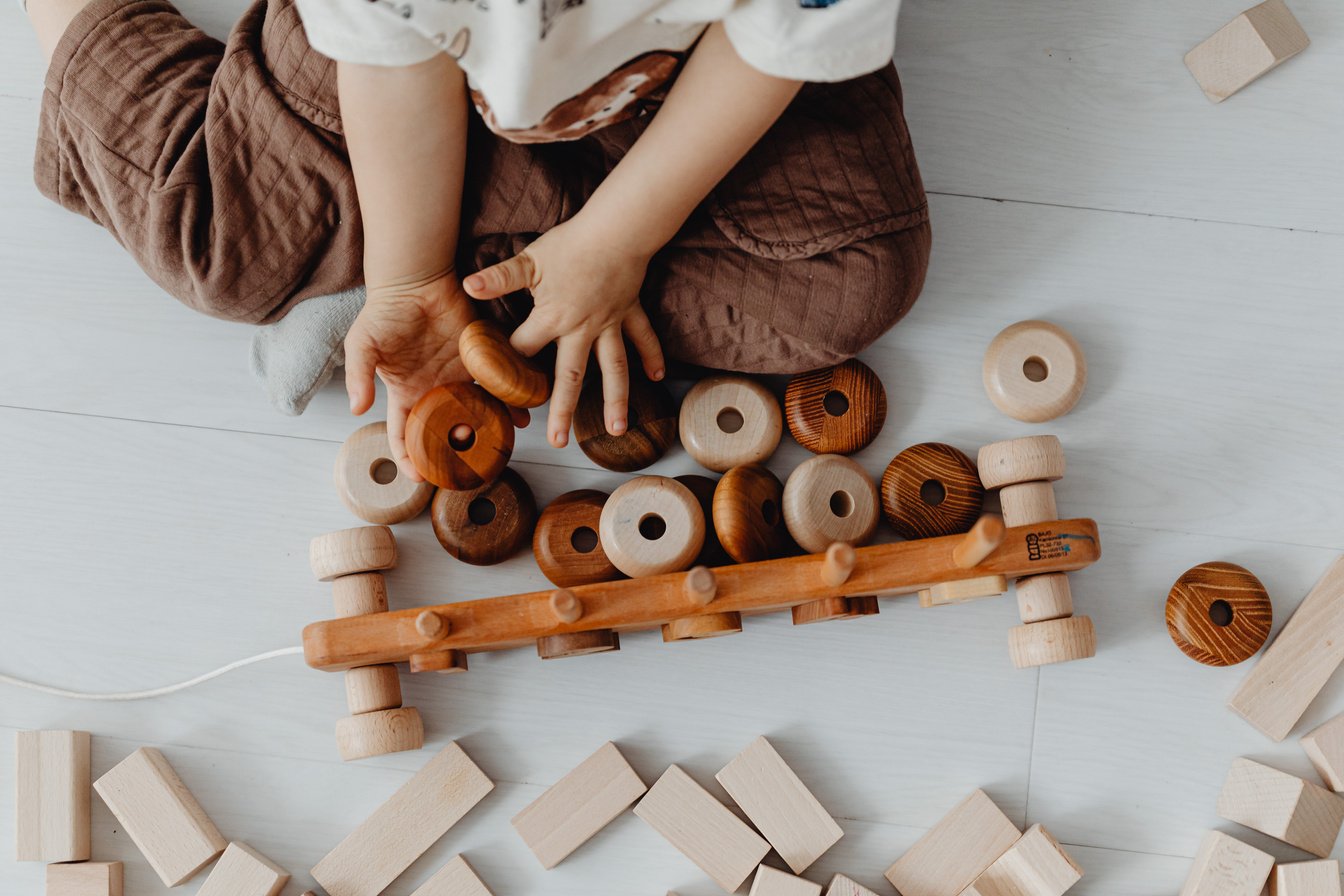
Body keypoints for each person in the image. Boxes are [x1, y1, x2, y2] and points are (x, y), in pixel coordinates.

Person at [23, 0, 930, 479]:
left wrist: (618, 241)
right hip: (413, 67)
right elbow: (387, 53)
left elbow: (780, 42)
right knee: (217, 248)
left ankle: (517, 247)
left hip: (690, 75)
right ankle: (489, 254)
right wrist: (407, 276)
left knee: (853, 283)